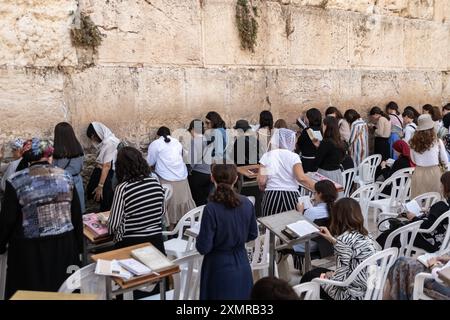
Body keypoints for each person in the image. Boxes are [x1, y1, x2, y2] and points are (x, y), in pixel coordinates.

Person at [0, 138, 83, 299]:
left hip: (30, 250)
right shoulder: (66, 177)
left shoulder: (16, 180)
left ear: (27, 158)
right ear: (49, 156)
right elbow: (76, 216)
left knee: (31, 293)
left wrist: (1, 244)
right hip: (64, 246)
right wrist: (78, 247)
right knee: (63, 290)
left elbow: (7, 219)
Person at [196, 164, 258, 300]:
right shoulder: (247, 203)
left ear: (212, 178)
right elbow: (253, 234)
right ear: (236, 179)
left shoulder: (211, 208)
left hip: (218, 265)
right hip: (242, 263)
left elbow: (204, 247)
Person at [300, 198, 377, 300]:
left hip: (351, 294)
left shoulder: (343, 240)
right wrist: (332, 239)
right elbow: (349, 250)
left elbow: (340, 280)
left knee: (308, 278)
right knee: (317, 271)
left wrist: (329, 276)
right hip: (369, 289)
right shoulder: (366, 234)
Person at [109, 147, 165, 251]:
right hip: (156, 242)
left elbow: (114, 225)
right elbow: (161, 212)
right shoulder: (155, 183)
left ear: (120, 167)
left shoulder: (122, 188)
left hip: (130, 243)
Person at [377, 172, 450, 253]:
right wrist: (430, 212)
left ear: (446, 186)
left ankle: (377, 251)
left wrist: (413, 217)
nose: (440, 187)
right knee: (401, 227)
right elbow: (439, 219)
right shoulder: (444, 206)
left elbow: (426, 227)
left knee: (396, 232)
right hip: (444, 242)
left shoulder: (441, 205)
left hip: (431, 241)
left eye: (442, 184)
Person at [258, 128, 315, 217]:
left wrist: (263, 187)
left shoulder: (267, 156)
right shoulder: (294, 157)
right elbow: (301, 177)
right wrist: (318, 188)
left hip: (272, 195)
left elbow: (262, 181)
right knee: (291, 226)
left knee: (270, 225)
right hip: (291, 195)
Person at [147, 126, 195, 229]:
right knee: (181, 204)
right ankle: (181, 229)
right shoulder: (177, 142)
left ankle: (170, 232)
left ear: (157, 135)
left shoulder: (155, 144)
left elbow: (150, 162)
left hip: (166, 180)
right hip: (182, 179)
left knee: (168, 207)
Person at [410, 114, 449, 198]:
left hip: (418, 172)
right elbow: (445, 160)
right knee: (435, 199)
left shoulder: (413, 143)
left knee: (419, 201)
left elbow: (413, 160)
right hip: (435, 173)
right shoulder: (438, 142)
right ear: (432, 128)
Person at [293, 180, 338, 254]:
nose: (313, 196)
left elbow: (300, 231)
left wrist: (300, 212)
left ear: (320, 194)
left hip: (309, 246)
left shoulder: (311, 211)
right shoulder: (338, 209)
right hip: (329, 245)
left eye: (314, 193)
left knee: (279, 243)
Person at [383, 254, 450, 300]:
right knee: (405, 262)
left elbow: (440, 278)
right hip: (442, 274)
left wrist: (434, 265)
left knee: (402, 264)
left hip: (444, 285)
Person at [86, 122, 120, 211]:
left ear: (98, 133)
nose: (93, 140)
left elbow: (107, 166)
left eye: (93, 137)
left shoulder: (109, 143)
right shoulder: (106, 142)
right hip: (105, 175)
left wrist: (100, 186)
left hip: (108, 177)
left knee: (106, 201)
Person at [53, 122, 86, 214]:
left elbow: (56, 169)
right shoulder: (78, 147)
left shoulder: (60, 151)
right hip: (77, 181)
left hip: (63, 183)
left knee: (65, 214)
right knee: (78, 212)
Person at [185, 119, 212, 207]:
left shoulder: (196, 141)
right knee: (204, 200)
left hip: (198, 175)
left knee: (197, 201)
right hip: (207, 173)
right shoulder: (205, 138)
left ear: (193, 129)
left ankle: (198, 219)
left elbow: (192, 162)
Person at [313, 116, 345, 187]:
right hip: (337, 173)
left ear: (326, 126)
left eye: (323, 125)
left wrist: (319, 148)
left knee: (327, 196)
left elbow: (317, 161)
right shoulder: (340, 141)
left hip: (326, 174)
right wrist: (320, 146)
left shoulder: (326, 142)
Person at [296, 108, 322, 173]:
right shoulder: (321, 130)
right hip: (318, 162)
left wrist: (299, 135)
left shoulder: (307, 131)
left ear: (309, 119)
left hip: (307, 163)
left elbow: (299, 144)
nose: (305, 120)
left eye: (306, 118)